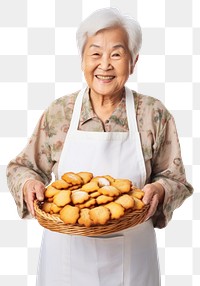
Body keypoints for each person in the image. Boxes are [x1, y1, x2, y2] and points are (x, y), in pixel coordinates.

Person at [7, 7, 193, 286]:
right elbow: (23, 167)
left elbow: (175, 178)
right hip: (65, 263)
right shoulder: (60, 112)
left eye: (116, 54)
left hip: (133, 263)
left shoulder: (153, 114)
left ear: (134, 61)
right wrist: (28, 184)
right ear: (82, 60)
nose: (105, 65)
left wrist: (161, 189)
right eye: (95, 54)